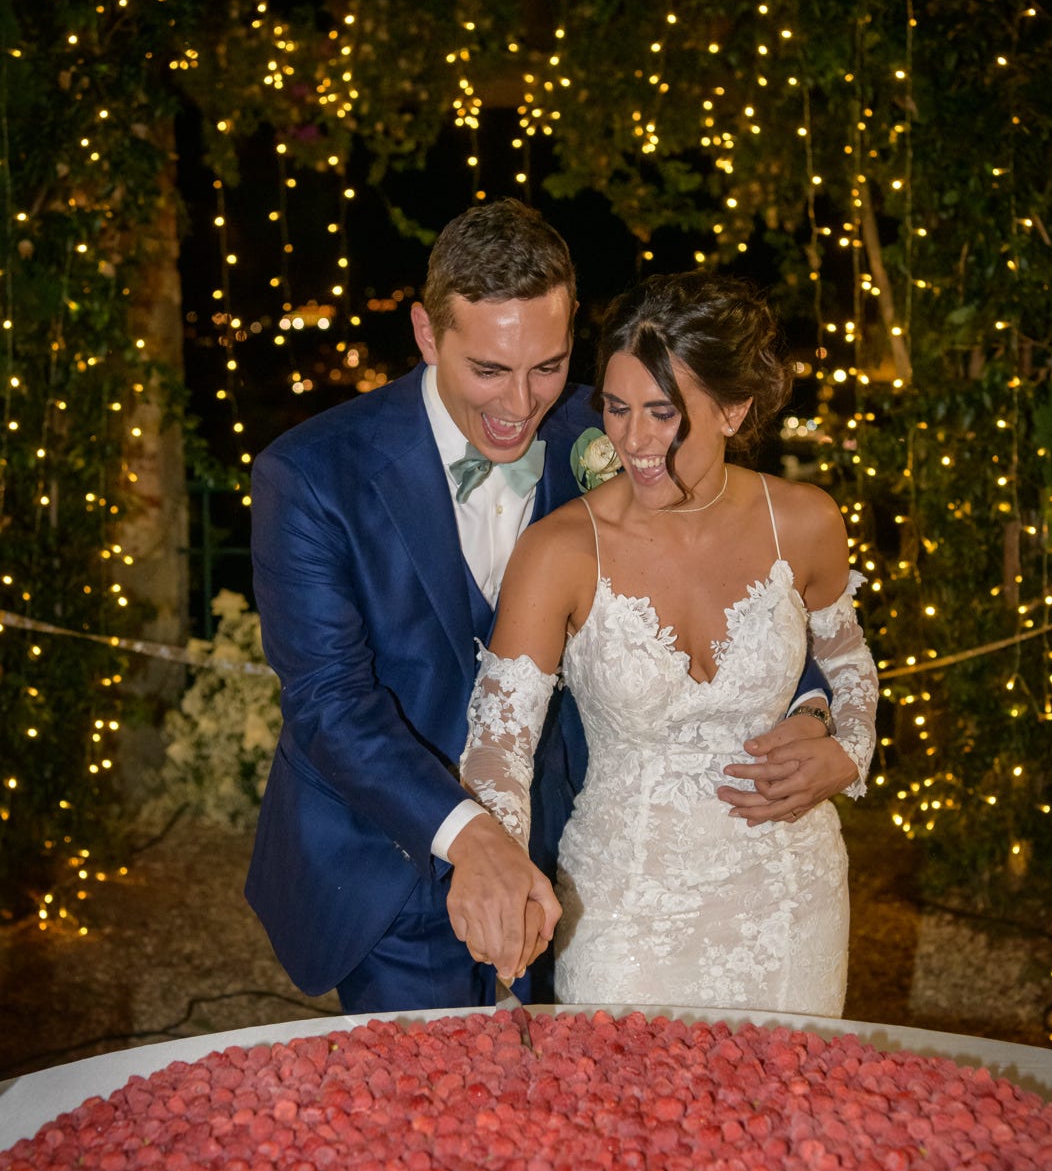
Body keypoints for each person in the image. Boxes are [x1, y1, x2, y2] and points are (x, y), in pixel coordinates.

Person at [247, 201, 845, 1013]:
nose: (522, 404)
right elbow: (330, 702)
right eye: (489, 370)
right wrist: (471, 837)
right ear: (427, 334)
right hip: (385, 860)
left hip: (567, 860)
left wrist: (814, 706)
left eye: (550, 366)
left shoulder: (611, 428)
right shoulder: (312, 474)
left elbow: (733, 571)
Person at [459, 271, 878, 1014]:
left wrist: (847, 747)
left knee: (789, 1121)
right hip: (624, 908)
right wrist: (501, 868)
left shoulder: (806, 521)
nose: (633, 440)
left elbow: (848, 665)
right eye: (617, 410)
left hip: (792, 898)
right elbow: (500, 746)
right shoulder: (560, 551)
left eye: (662, 413)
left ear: (733, 409)